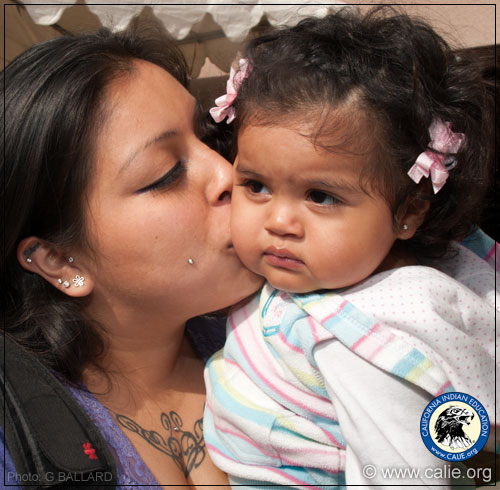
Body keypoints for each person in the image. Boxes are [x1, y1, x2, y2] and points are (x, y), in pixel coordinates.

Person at [204, 9, 498, 488]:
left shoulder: (357, 342)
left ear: (410, 211)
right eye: (255, 185)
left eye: (321, 196)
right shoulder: (325, 276)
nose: (278, 222)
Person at [0, 18, 263, 489]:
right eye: (164, 173)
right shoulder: (20, 440)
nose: (228, 173)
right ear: (61, 261)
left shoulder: (293, 331)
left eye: (207, 136)